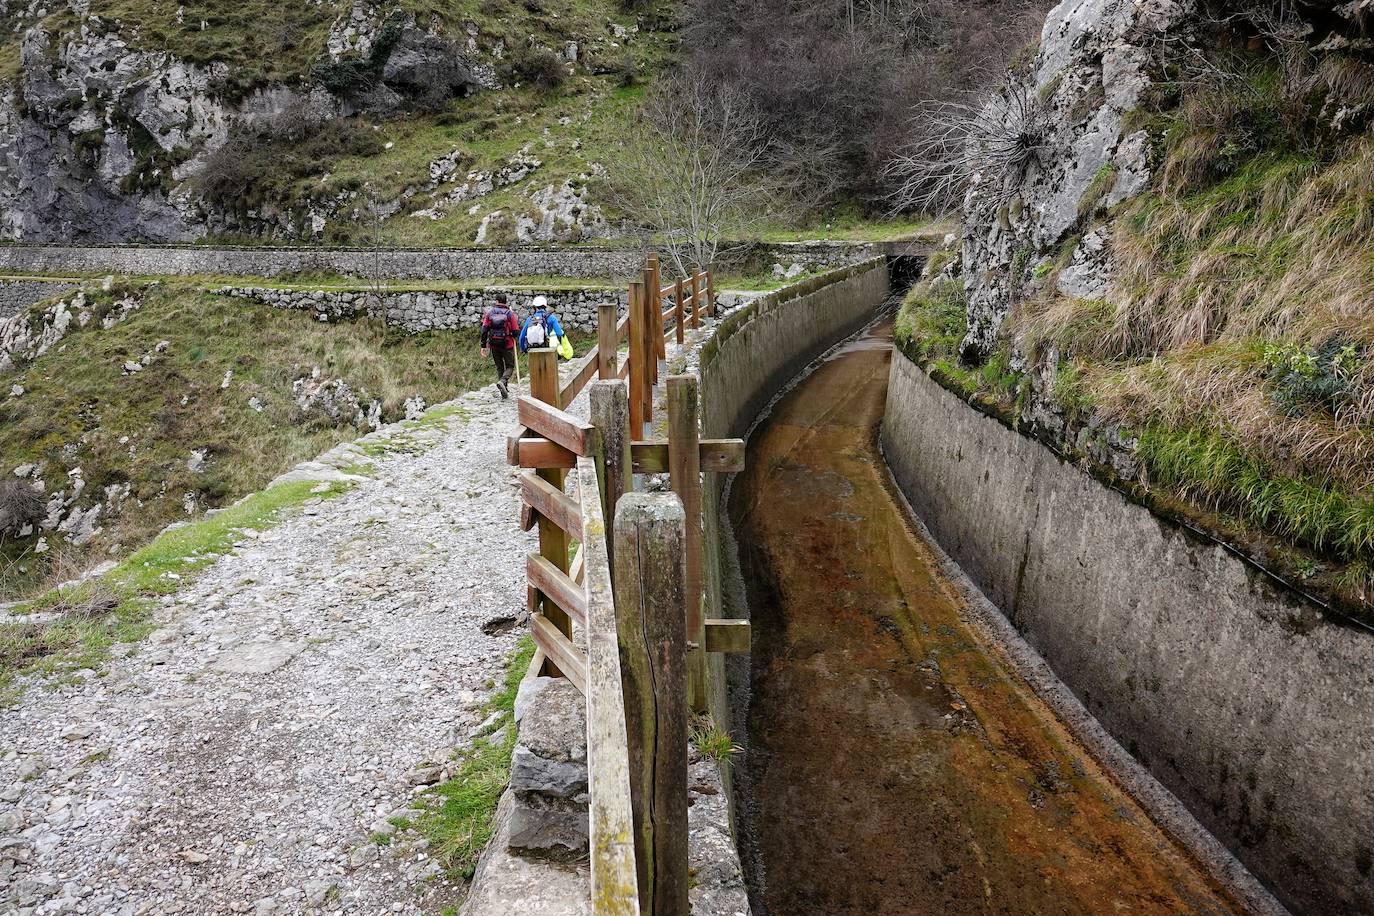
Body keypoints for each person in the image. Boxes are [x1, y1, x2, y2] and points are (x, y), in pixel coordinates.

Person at [480, 293, 520, 399]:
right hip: (507, 344)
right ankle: (503, 382)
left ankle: (504, 390)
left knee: (499, 366)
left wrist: (483, 346)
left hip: (493, 345)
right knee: (510, 366)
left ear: (497, 301)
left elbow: (484, 330)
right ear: (505, 302)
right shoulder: (509, 314)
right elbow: (516, 331)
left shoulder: (489, 313)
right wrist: (512, 335)